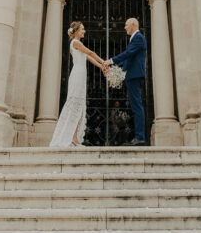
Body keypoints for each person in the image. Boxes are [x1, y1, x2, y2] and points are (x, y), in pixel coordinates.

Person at [50, 22, 107, 147]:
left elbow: (87, 57)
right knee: (74, 104)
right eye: (82, 29)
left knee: (78, 105)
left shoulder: (77, 44)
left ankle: (74, 138)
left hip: (80, 75)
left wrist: (101, 67)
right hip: (77, 75)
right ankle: (72, 138)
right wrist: (104, 62)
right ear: (76, 31)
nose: (84, 31)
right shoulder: (76, 43)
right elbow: (91, 53)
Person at [107, 18, 148, 146]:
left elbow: (128, 53)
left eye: (126, 25)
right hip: (132, 76)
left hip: (135, 76)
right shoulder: (135, 39)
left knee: (137, 106)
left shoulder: (139, 38)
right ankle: (139, 136)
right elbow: (128, 59)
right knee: (135, 106)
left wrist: (111, 61)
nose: (125, 27)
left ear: (133, 25)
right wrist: (115, 71)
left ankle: (140, 137)